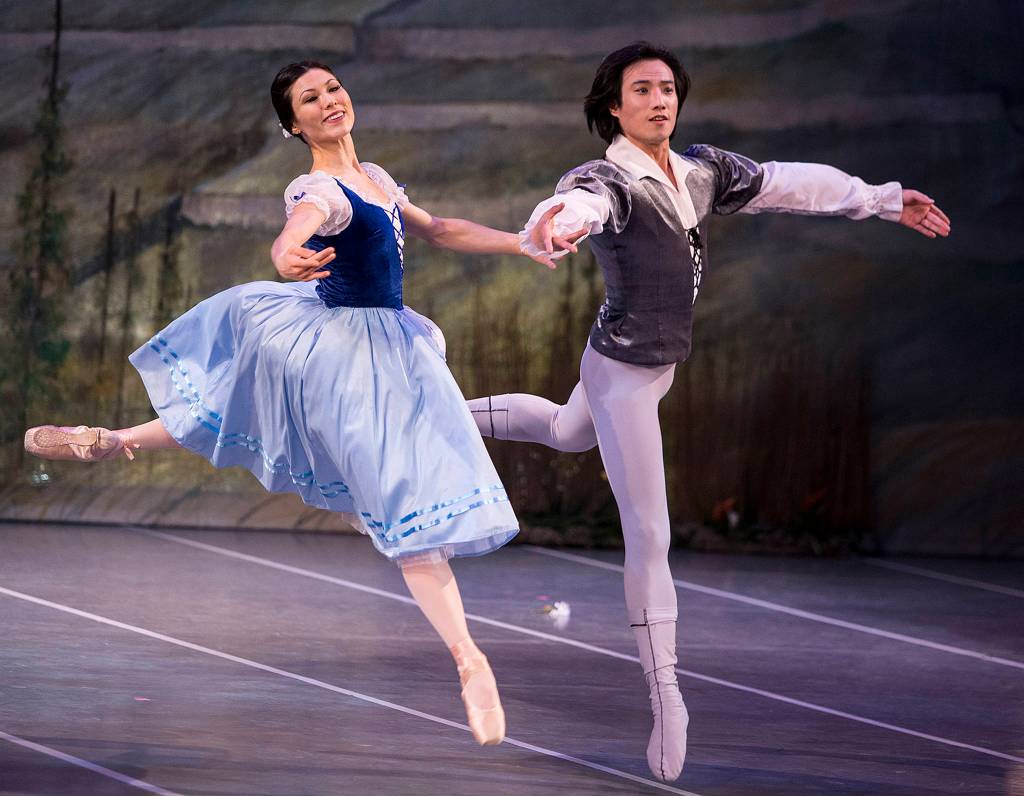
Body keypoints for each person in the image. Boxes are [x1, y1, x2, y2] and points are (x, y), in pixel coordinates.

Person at [23, 60, 579, 748]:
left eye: (333, 88)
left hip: (383, 343)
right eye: (309, 99)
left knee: (234, 407)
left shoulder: (373, 176)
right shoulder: (319, 188)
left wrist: (519, 242)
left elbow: (436, 229)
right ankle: (470, 661)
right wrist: (288, 253)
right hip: (348, 353)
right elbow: (298, 228)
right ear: (293, 124)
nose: (328, 101)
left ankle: (112, 440)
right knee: (401, 499)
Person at [468, 41, 950, 781]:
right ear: (613, 107)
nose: (660, 100)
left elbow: (792, 183)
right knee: (650, 533)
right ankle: (667, 696)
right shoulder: (606, 179)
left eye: (668, 89)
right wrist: (557, 222)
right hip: (627, 374)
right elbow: (579, 201)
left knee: (567, 432)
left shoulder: (698, 173)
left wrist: (882, 199)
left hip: (633, 362)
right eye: (643, 90)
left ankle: (448, 411)